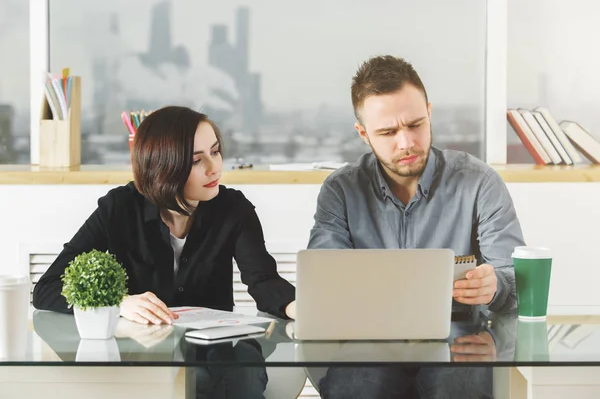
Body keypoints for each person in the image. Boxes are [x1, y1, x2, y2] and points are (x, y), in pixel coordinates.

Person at [33, 105, 296, 398]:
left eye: (215, 151)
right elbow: (47, 287)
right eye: (197, 161)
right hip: (144, 353)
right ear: (164, 167)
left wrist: (298, 307)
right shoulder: (119, 208)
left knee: (239, 371)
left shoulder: (234, 209)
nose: (214, 168)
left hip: (218, 353)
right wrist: (119, 303)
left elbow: (263, 281)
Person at [307, 55, 526, 398]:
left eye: (415, 124)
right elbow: (325, 285)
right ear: (363, 134)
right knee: (354, 386)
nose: (406, 143)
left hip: (461, 341)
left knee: (460, 384)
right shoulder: (340, 190)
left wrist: (495, 284)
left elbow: (515, 280)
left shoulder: (479, 182)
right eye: (388, 132)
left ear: (429, 112)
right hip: (368, 345)